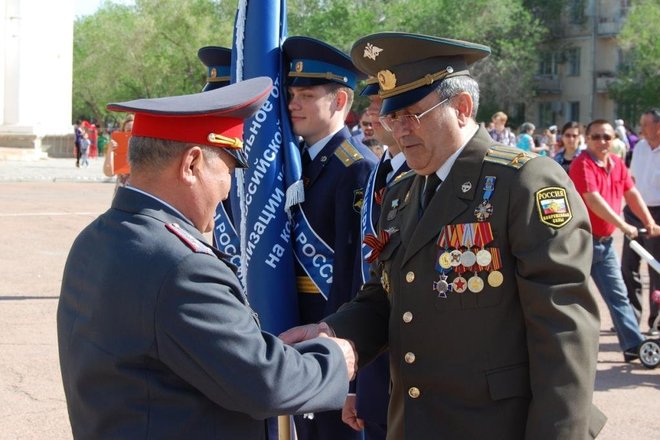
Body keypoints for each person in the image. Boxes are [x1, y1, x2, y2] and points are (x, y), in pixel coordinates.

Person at [282, 32, 606, 439]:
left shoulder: (524, 182)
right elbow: (387, 295)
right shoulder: (402, 192)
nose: (400, 130)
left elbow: (563, 327)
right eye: (392, 117)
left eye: (412, 114)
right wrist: (334, 332)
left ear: (462, 108)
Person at [57, 77, 356, 439]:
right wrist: (334, 359)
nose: (228, 190)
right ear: (192, 164)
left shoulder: (96, 238)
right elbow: (265, 383)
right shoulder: (182, 266)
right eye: (227, 171)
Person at [282, 35, 377, 440]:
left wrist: (350, 376)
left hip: (332, 336)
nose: (293, 104)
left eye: (306, 95)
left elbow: (355, 276)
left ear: (340, 101)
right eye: (292, 95)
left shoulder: (355, 167)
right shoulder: (296, 162)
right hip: (296, 327)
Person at [346, 78, 411, 440]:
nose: (372, 112)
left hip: (408, 363)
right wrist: (354, 385)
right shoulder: (377, 171)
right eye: (371, 103)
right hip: (371, 358)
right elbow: (360, 274)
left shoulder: (420, 175)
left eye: (381, 103)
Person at [568, 119, 659, 362]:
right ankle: (566, 351)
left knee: (619, 296)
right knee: (572, 299)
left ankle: (634, 347)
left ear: (614, 140)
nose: (602, 141)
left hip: (604, 244)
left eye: (607, 137)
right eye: (596, 137)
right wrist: (624, 225)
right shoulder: (582, 164)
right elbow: (593, 199)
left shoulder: (617, 163)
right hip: (579, 243)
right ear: (587, 139)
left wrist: (649, 221)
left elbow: (632, 193)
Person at [621, 109, 660, 336]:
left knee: (655, 268)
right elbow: (632, 180)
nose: (641, 128)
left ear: (658, 126)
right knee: (628, 267)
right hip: (635, 212)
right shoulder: (640, 148)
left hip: (657, 214)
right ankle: (631, 320)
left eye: (645, 124)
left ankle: (656, 322)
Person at [103, 114, 134, 189]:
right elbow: (108, 172)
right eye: (128, 130)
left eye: (134, 131)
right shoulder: (117, 147)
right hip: (122, 191)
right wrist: (110, 150)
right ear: (123, 132)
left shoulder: (145, 149)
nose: (131, 134)